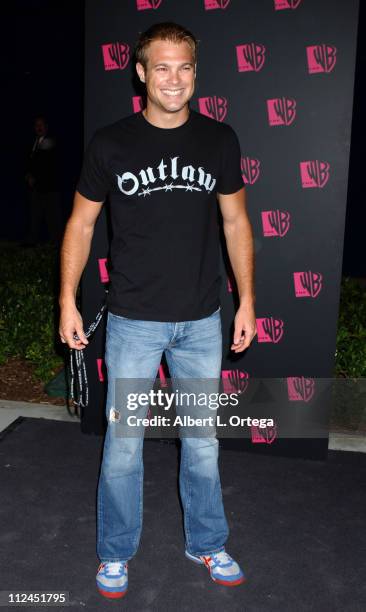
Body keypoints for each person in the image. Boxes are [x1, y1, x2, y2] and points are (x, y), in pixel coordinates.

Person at [58, 22, 257, 600]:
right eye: (162, 67)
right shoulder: (111, 143)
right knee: (123, 445)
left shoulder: (219, 140)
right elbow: (81, 224)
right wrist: (66, 299)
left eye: (185, 67)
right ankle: (116, 553)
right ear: (141, 73)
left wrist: (247, 299)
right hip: (132, 322)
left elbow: (236, 222)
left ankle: (208, 542)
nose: (175, 79)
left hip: (200, 321)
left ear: (196, 72)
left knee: (201, 441)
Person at [24, 115, 63, 246]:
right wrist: (28, 175)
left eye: (41, 125)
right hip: (36, 189)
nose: (39, 127)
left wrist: (36, 177)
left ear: (46, 127)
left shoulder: (51, 141)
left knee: (53, 218)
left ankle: (56, 245)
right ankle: (32, 242)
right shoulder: (33, 143)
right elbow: (29, 162)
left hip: (49, 188)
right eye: (36, 125)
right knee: (34, 217)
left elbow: (47, 164)